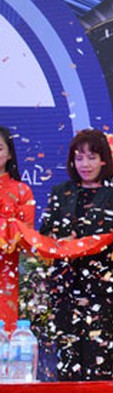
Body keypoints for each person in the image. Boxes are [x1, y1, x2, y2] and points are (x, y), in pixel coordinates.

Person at [38, 129, 113, 381]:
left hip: (103, 289)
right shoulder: (60, 192)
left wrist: (85, 242)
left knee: (98, 363)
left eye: (92, 157)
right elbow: (45, 233)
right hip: (65, 287)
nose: (85, 164)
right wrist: (62, 240)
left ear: (104, 160)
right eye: (79, 158)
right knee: (67, 362)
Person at [0, 127, 35, 328]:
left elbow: (26, 234)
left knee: (4, 328)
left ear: (9, 154)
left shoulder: (22, 191)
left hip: (6, 269)